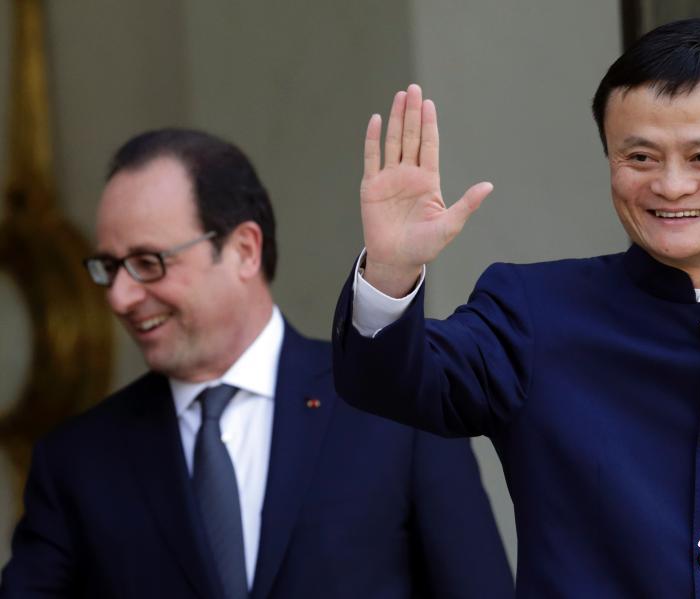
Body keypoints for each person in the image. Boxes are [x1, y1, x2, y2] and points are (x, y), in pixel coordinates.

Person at [332, 18, 700, 597]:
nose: (671, 186)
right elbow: (390, 385)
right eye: (641, 157)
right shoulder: (532, 313)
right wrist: (392, 268)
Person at [0, 128, 514, 599]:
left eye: (147, 263)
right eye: (110, 267)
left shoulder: (393, 414)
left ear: (244, 250)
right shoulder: (78, 462)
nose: (119, 297)